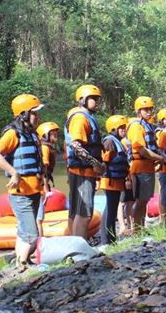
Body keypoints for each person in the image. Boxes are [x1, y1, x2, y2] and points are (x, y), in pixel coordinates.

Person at [0, 94, 45, 269]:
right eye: (34, 113)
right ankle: (22, 262)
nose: (38, 117)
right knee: (32, 235)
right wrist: (13, 172)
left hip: (34, 191)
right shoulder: (13, 134)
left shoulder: (33, 134)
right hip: (20, 194)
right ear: (23, 114)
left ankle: (21, 264)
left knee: (23, 232)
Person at [64, 85, 105, 238]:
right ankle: (80, 247)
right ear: (82, 100)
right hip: (82, 172)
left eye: (97, 98)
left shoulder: (85, 116)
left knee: (76, 211)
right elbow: (75, 145)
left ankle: (75, 246)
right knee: (84, 213)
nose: (96, 101)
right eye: (93, 98)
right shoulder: (80, 117)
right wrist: (96, 164)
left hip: (82, 171)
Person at [127, 97, 164, 230]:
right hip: (139, 168)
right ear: (138, 111)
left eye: (150, 109)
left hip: (148, 168)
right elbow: (141, 150)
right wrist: (160, 158)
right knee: (140, 201)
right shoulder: (136, 126)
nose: (149, 112)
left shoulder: (147, 125)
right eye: (145, 109)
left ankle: (140, 228)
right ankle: (136, 230)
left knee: (144, 200)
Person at [99, 115, 129, 245]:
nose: (124, 130)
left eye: (124, 127)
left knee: (111, 209)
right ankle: (107, 241)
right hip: (110, 181)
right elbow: (105, 161)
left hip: (117, 181)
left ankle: (111, 239)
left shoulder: (118, 142)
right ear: (113, 129)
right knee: (110, 211)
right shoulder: (110, 141)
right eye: (121, 128)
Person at [36, 122, 59, 236]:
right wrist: (46, 189)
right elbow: (44, 170)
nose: (55, 135)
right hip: (40, 184)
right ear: (45, 135)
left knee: (39, 215)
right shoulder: (45, 147)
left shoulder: (48, 146)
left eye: (56, 133)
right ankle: (40, 241)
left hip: (43, 182)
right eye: (52, 133)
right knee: (39, 217)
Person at [117, 131, 135, 235]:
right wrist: (127, 179)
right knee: (121, 203)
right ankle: (122, 226)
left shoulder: (131, 142)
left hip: (131, 176)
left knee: (130, 202)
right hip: (124, 178)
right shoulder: (122, 143)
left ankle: (131, 225)